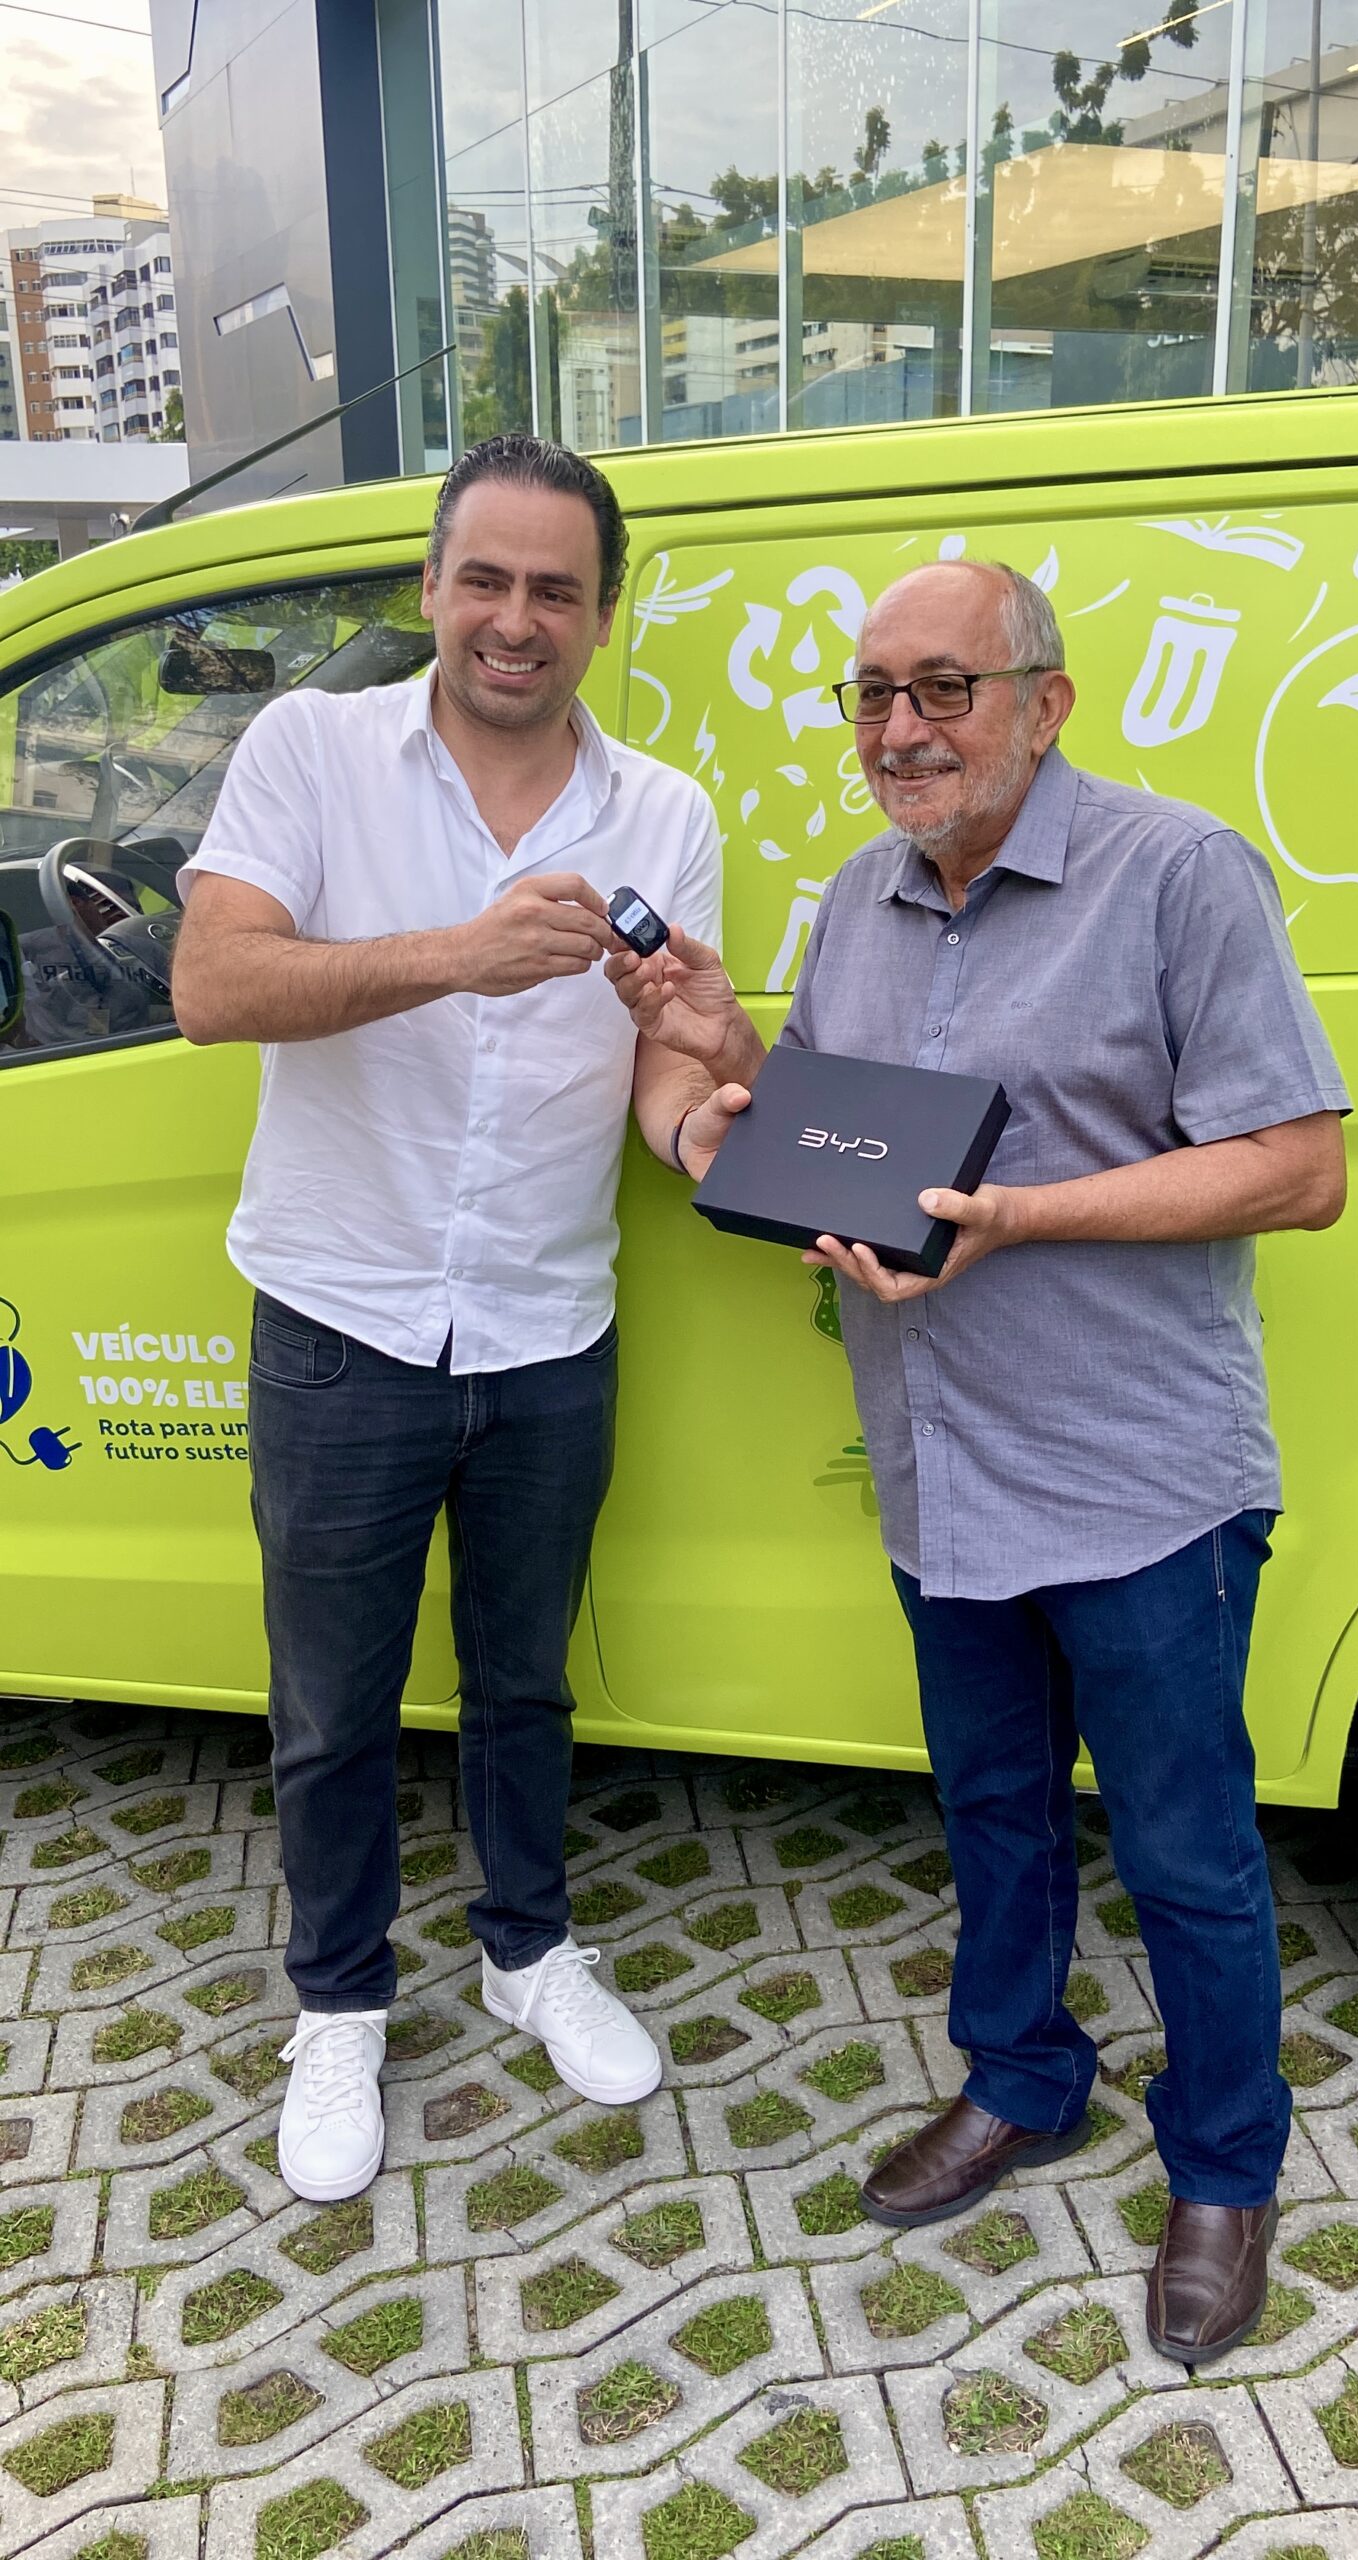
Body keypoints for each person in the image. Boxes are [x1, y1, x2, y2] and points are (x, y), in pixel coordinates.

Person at [606, 558, 1349, 2366]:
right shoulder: (858, 897)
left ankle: (1226, 2167)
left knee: (1186, 1849)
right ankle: (1022, 2078)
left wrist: (1020, 1216)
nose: (900, 729)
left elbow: (1299, 1166)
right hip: (940, 1467)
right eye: (872, 693)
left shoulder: (1177, 875)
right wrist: (719, 1063)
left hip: (1139, 1476)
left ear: (1045, 702)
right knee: (994, 1810)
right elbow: (841, 1134)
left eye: (943, 687)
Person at [170, 435, 753, 2205]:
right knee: (332, 1703)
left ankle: (528, 1949)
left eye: (555, 590)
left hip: (546, 1324)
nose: (516, 619)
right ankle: (341, 2001)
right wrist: (458, 949)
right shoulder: (312, 749)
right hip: (340, 1317)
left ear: (601, 615)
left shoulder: (664, 815)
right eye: (484, 579)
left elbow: (669, 1067)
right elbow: (212, 984)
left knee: (523, 1680)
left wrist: (706, 1111)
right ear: (429, 588)